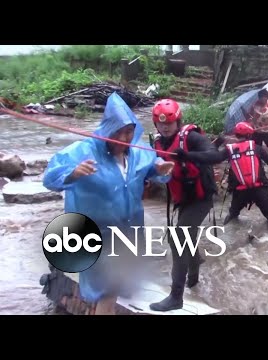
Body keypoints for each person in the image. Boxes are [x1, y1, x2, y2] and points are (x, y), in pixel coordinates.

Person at [42, 92, 174, 314]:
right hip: (97, 234)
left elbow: (152, 166)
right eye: (119, 132)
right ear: (108, 130)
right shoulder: (83, 150)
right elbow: (49, 177)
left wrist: (159, 168)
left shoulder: (137, 152)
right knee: (107, 292)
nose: (124, 139)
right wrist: (72, 174)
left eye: (129, 132)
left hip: (129, 232)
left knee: (119, 287)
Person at [149, 98, 219, 312]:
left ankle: (176, 296)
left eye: (169, 123)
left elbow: (215, 155)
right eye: (161, 124)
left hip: (202, 198)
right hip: (183, 200)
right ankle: (195, 272)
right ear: (156, 124)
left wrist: (187, 155)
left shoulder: (192, 137)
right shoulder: (157, 144)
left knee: (179, 237)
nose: (165, 126)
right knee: (181, 236)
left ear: (178, 122)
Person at [175, 121, 268, 230]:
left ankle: (230, 233)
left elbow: (213, 158)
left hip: (240, 192)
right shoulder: (257, 148)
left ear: (236, 135)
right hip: (260, 189)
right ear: (250, 136)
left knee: (233, 215)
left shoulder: (229, 150)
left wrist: (188, 155)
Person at [246, 88, 268, 158]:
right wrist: (251, 120)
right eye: (260, 97)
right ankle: (258, 162)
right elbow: (250, 115)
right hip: (257, 131)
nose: (262, 99)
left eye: (263, 97)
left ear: (266, 97)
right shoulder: (255, 105)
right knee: (256, 148)